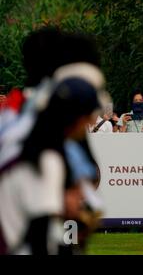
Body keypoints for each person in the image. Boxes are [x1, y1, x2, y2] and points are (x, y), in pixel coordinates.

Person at [0, 78, 100, 255]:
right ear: (76, 116)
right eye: (89, 114)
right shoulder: (46, 157)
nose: (92, 120)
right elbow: (40, 232)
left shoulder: (30, 144)